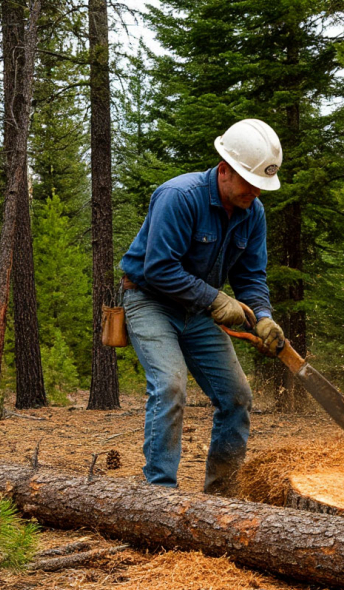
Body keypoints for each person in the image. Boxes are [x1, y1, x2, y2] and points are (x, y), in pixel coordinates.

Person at [119, 118, 285, 494]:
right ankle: (159, 494)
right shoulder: (179, 196)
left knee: (237, 397)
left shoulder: (252, 213)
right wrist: (214, 298)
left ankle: (222, 497)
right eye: (249, 182)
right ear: (224, 169)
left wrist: (263, 317)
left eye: (261, 185)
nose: (255, 192)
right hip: (150, 301)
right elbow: (159, 269)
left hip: (197, 312)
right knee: (170, 386)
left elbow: (251, 277)